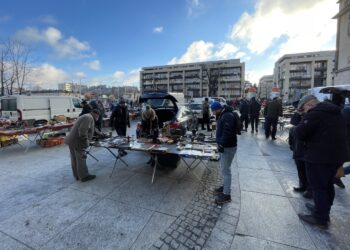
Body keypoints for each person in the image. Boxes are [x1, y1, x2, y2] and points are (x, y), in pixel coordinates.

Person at [295, 95, 348, 229]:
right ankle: (323, 210)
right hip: (337, 156)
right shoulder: (336, 112)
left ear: (309, 105)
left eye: (303, 109)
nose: (303, 112)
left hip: (319, 156)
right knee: (328, 184)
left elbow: (300, 133)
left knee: (319, 187)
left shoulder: (315, 114)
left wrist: (302, 121)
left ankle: (320, 218)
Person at [210, 101, 237, 205]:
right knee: (225, 169)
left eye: (213, 111)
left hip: (227, 147)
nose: (213, 113)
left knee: (226, 171)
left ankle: (226, 195)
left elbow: (228, 132)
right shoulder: (223, 114)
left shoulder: (227, 116)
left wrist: (221, 144)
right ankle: (224, 187)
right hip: (226, 146)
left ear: (217, 109)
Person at [64, 109, 100, 182]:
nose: (97, 119)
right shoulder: (89, 118)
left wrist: (99, 133)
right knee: (81, 158)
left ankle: (77, 175)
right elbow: (83, 130)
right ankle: (84, 176)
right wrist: (86, 142)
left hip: (71, 140)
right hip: (78, 142)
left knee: (74, 159)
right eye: (98, 117)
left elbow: (91, 128)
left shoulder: (86, 116)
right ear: (96, 115)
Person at [289, 110, 312, 198]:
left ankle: (310, 190)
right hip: (298, 147)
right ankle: (303, 186)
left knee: (308, 171)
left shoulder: (313, 117)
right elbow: (293, 126)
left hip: (308, 149)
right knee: (300, 169)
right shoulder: (299, 115)